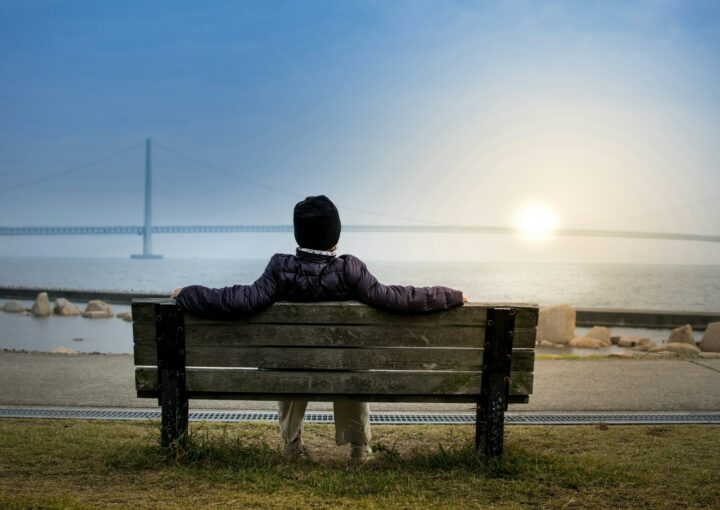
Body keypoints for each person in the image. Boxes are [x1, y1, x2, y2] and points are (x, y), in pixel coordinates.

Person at [171, 195, 467, 462]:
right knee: (351, 367)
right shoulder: (350, 269)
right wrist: (451, 296)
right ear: (335, 237)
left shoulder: (280, 268)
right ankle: (359, 448)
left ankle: (291, 445)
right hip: (342, 368)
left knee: (289, 364)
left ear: (298, 234)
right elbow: (396, 298)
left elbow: (238, 300)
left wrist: (189, 294)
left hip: (291, 368)